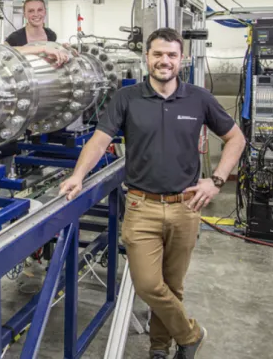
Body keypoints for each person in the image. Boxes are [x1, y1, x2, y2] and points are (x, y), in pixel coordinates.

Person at [59, 28, 245, 359]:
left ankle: (160, 348)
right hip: (141, 206)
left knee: (173, 287)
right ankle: (191, 334)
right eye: (158, 54)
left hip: (185, 207)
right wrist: (78, 175)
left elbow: (236, 138)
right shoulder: (126, 98)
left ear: (181, 59)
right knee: (148, 284)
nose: (164, 61)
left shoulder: (198, 98)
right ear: (147, 57)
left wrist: (215, 179)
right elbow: (100, 139)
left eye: (172, 55)